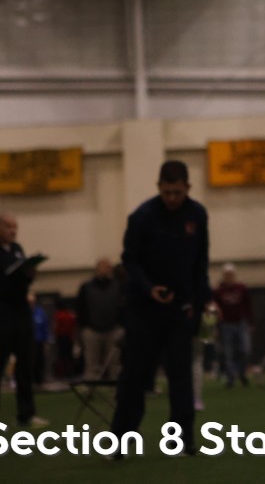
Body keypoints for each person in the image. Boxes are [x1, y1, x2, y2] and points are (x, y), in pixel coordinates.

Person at [109, 160, 211, 457]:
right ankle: (120, 441)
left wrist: (200, 304)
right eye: (167, 192)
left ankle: (182, 440)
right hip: (144, 309)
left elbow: (201, 263)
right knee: (134, 376)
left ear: (188, 188)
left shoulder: (198, 215)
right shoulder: (142, 216)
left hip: (180, 310)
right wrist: (148, 288)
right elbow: (129, 260)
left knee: (181, 377)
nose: (172, 198)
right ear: (158, 188)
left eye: (177, 192)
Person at [0, 213, 48, 428]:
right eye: (8, 226)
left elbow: (21, 282)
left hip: (20, 313)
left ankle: (27, 413)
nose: (12, 231)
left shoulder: (17, 250)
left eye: (15, 227)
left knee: (25, 365)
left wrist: (29, 274)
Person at [76, 257, 124, 381]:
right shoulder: (86, 287)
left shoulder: (118, 286)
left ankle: (117, 387)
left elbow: (123, 307)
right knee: (92, 363)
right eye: (103, 267)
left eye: (108, 267)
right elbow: (80, 309)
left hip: (114, 330)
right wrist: (85, 327)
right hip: (92, 331)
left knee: (115, 363)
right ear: (97, 269)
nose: (105, 270)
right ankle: (91, 386)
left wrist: (120, 325)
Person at [212, 263, 253, 388]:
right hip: (226, 324)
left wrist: (250, 322)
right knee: (228, 352)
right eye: (227, 274)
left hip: (240, 323)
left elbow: (248, 306)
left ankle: (242, 373)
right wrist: (216, 327)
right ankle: (230, 378)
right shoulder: (219, 291)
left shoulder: (241, 288)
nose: (229, 276)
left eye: (231, 274)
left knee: (244, 350)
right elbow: (215, 310)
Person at [52, 298, 77, 379]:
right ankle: (70, 373)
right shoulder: (70, 315)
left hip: (61, 338)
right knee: (69, 356)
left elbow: (56, 327)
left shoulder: (58, 315)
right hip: (69, 338)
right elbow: (73, 326)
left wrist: (55, 335)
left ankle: (61, 374)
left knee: (61, 356)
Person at [29, 294, 50, 387]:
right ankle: (30, 380)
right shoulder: (25, 312)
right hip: (29, 342)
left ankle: (39, 380)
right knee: (30, 362)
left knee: (40, 361)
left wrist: (46, 340)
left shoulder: (40, 312)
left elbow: (45, 326)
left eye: (32, 302)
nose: (31, 304)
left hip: (39, 341)